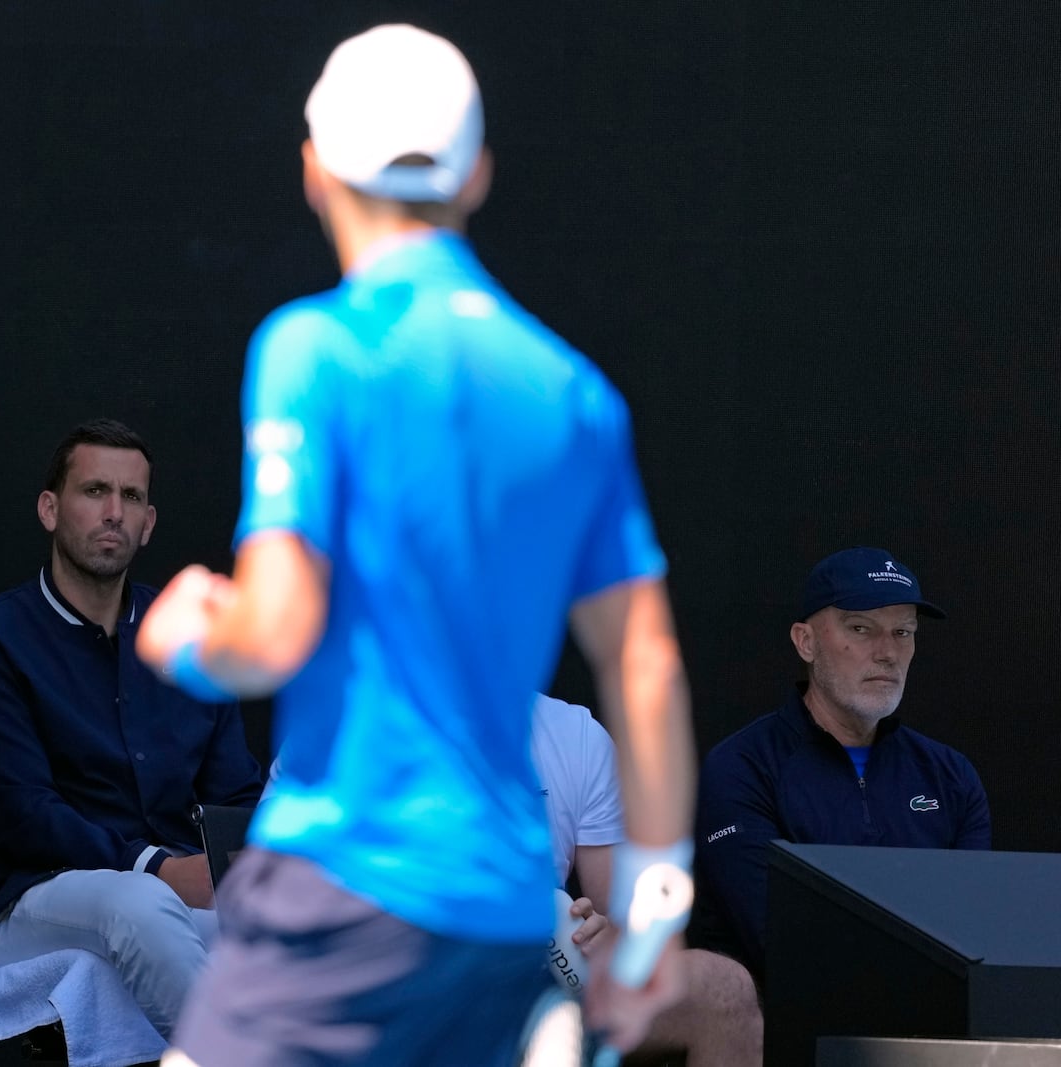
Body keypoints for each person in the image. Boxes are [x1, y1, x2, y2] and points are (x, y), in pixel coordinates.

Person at [136, 24, 698, 1066]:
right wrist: (657, 904)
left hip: (339, 887)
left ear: (313, 170)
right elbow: (645, 663)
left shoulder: (314, 348)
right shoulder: (575, 395)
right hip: (499, 917)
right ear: (478, 174)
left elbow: (273, 631)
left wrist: (185, 635)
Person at [0, 418, 262, 1039]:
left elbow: (233, 796)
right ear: (50, 509)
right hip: (37, 897)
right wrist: (155, 867)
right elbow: (22, 815)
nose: (113, 512)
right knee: (138, 902)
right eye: (94, 492)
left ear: (148, 523)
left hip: (179, 897)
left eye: (131, 497)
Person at [693, 546, 992, 983]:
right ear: (806, 642)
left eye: (903, 633)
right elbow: (779, 941)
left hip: (937, 1026)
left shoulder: (951, 776)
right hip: (784, 1029)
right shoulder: (744, 767)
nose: (888, 653)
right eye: (861, 628)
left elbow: (976, 933)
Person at [533, 695, 762, 1066]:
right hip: (433, 977)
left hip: (550, 983)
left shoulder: (575, 734)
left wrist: (603, 935)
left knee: (724, 988)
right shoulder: (405, 720)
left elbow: (618, 922)